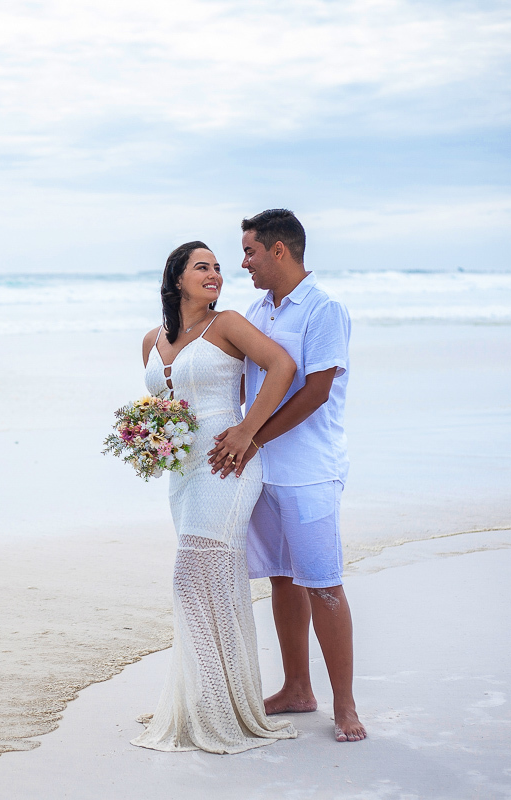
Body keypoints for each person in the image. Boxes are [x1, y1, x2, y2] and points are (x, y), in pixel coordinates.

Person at [131, 240, 298, 754]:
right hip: (181, 476)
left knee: (191, 574)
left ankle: (223, 706)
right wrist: (145, 437)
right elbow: (158, 408)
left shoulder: (226, 324)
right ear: (177, 277)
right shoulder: (150, 340)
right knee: (208, 581)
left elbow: (282, 366)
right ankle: (205, 696)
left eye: (220, 268)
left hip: (227, 465)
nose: (216, 275)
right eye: (202, 267)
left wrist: (248, 431)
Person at [208, 209, 367, 742]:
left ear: (279, 250)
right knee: (281, 577)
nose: (244, 263)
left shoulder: (324, 309)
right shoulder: (258, 309)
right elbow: (244, 387)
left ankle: (345, 706)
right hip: (262, 473)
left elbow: (316, 391)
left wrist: (252, 438)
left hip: (308, 472)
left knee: (322, 583)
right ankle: (298, 687)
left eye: (250, 251)